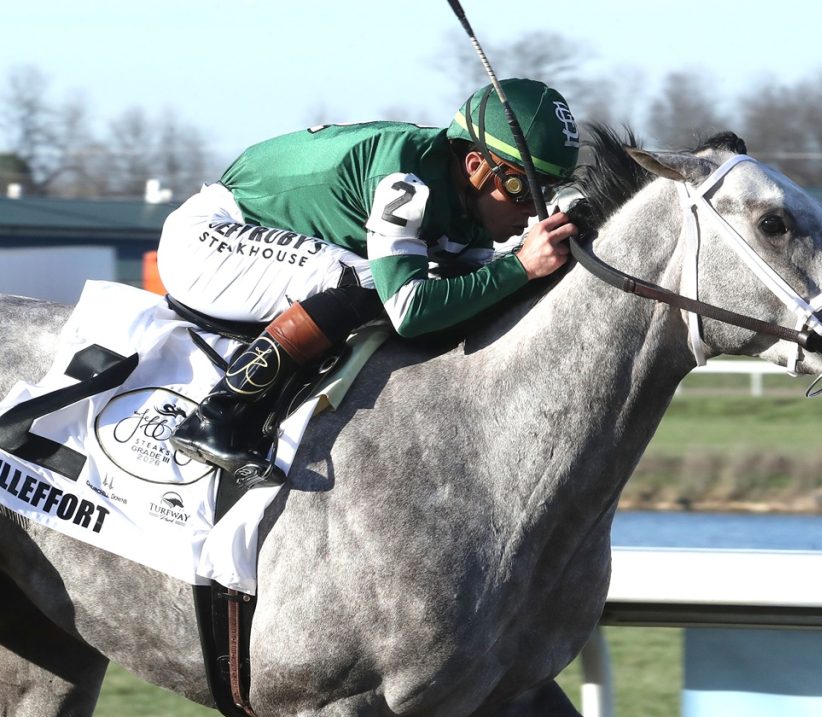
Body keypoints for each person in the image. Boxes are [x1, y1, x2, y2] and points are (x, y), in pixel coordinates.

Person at [157, 78, 580, 486]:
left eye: (547, 193)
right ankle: (218, 414)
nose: (532, 211)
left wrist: (523, 270)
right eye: (524, 189)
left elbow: (468, 297)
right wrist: (520, 266)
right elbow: (410, 311)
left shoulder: (467, 204)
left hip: (264, 241)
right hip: (208, 239)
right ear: (475, 167)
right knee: (369, 284)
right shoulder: (405, 180)